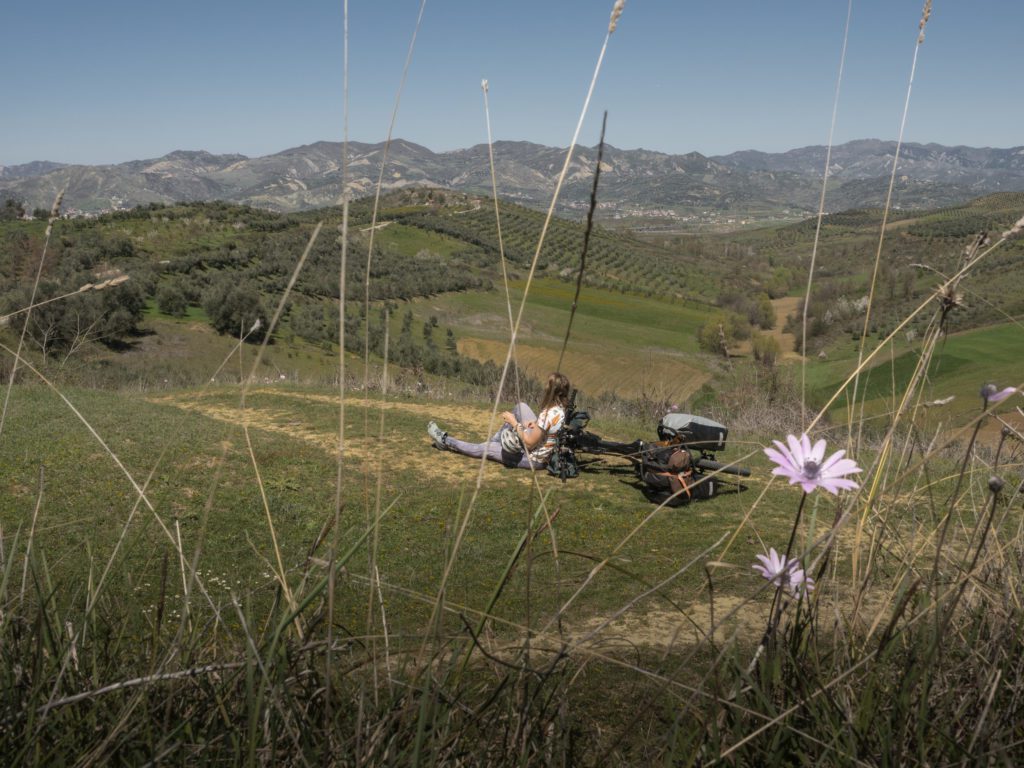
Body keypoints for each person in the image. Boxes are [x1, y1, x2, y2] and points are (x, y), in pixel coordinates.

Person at [427, 372, 571, 470]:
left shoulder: (548, 414)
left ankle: (445, 440)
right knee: (521, 407)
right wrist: (536, 425)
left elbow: (529, 443)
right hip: (541, 446)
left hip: (534, 459)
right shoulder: (560, 409)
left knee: (485, 448)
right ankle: (497, 441)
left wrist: (514, 422)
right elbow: (548, 429)